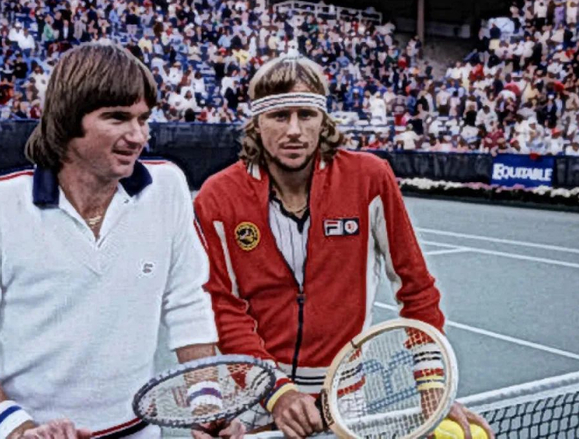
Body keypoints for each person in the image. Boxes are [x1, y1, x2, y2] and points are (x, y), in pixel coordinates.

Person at [0, 43, 237, 439]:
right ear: (69, 119)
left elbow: (189, 302)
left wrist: (207, 403)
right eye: (117, 118)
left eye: (144, 119)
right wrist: (19, 429)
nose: (138, 136)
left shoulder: (168, 186)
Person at [194, 55, 495, 439]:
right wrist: (277, 393)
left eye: (306, 115)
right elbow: (224, 307)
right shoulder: (218, 196)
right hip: (255, 395)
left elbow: (415, 286)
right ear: (256, 122)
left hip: (345, 395)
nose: (294, 130)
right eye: (279, 116)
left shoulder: (369, 178)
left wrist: (434, 388)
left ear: (323, 119)